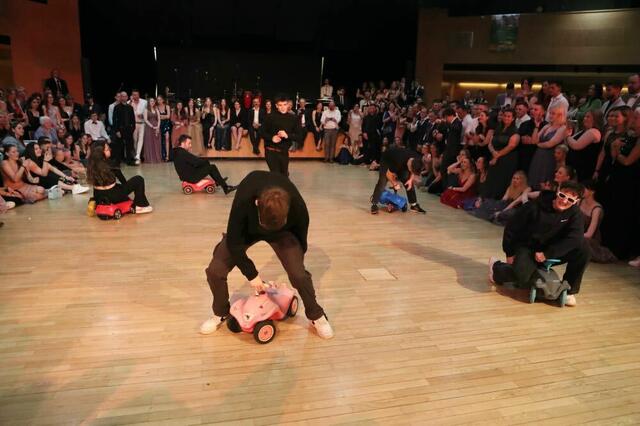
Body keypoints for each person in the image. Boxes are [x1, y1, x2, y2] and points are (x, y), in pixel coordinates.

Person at [200, 170, 334, 339]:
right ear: (257, 203)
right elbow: (234, 241)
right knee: (215, 271)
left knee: (299, 275)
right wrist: (252, 275)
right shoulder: (245, 197)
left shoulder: (297, 206)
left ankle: (316, 316)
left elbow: (301, 237)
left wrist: (297, 261)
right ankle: (220, 312)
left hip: (283, 233)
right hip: (248, 230)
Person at [489, 181, 589, 307]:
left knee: (584, 249)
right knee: (521, 279)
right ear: (558, 191)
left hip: (550, 251)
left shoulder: (575, 213)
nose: (564, 201)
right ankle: (496, 267)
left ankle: (569, 291)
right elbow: (512, 228)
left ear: (576, 201)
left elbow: (575, 239)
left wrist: (548, 254)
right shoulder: (534, 206)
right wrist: (509, 253)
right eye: (562, 195)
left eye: (570, 200)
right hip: (529, 248)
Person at [87, 140, 153, 213]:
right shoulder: (111, 164)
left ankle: (97, 202)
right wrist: (126, 189)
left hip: (98, 195)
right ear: (101, 153)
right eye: (107, 149)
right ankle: (140, 205)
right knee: (138, 179)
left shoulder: (91, 165)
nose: (110, 150)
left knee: (115, 187)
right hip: (112, 196)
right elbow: (123, 181)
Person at [370, 145, 426, 214]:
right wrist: (395, 183)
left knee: (408, 181)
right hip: (387, 159)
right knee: (382, 181)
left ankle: (414, 205)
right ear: (410, 163)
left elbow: (413, 171)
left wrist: (410, 180)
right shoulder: (399, 160)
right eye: (410, 169)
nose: (410, 171)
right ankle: (374, 204)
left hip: (401, 162)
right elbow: (388, 174)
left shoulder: (418, 159)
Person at [259, 94, 303, 176]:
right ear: (276, 106)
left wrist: (287, 135)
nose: (283, 107)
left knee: (284, 176)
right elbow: (261, 132)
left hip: (284, 152)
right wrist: (272, 138)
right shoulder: (269, 117)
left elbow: (299, 136)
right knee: (276, 175)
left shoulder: (294, 118)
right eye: (280, 105)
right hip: (270, 151)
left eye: (285, 104)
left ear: (288, 104)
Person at [22, 140, 89, 194]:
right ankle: (72, 188)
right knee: (48, 176)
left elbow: (53, 169)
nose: (39, 150)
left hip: (43, 179)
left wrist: (66, 177)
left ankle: (71, 187)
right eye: (36, 149)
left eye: (39, 148)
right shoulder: (30, 162)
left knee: (52, 173)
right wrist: (45, 161)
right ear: (31, 151)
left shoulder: (39, 159)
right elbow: (43, 174)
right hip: (36, 182)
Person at [484, 107, 520, 199]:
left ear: (513, 118)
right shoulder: (498, 128)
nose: (506, 118)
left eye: (509, 116)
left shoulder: (515, 131)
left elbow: (511, 146)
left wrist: (496, 156)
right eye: (505, 116)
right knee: (491, 179)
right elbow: (490, 143)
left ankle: (497, 201)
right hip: (494, 156)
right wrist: (493, 152)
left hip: (506, 159)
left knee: (501, 181)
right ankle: (487, 199)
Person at [579, 180, 617, 263]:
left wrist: (574, 234)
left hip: (589, 239)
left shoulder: (596, 209)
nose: (580, 191)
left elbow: (589, 234)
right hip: (577, 233)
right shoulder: (579, 202)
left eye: (583, 189)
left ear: (592, 192)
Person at [112, 91, 136, 165]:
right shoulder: (116, 107)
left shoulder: (130, 107)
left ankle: (129, 161)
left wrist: (133, 128)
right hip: (120, 129)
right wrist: (117, 131)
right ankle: (118, 162)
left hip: (128, 129)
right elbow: (114, 120)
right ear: (120, 97)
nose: (124, 97)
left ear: (127, 97)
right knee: (119, 146)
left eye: (125, 96)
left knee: (129, 146)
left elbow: (133, 119)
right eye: (122, 96)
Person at [130, 89, 147, 165]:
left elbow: (147, 112)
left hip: (142, 123)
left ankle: (138, 156)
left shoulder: (144, 102)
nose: (135, 96)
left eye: (136, 95)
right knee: (134, 140)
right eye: (134, 95)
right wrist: (131, 102)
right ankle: (135, 155)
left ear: (139, 95)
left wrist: (143, 115)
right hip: (134, 124)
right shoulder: (129, 102)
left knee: (141, 140)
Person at [142, 97, 162, 163]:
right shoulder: (146, 110)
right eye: (151, 101)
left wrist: (158, 127)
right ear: (149, 102)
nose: (152, 102)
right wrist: (152, 126)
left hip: (156, 127)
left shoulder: (156, 109)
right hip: (149, 128)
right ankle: (150, 158)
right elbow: (145, 120)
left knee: (156, 143)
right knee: (149, 143)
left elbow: (159, 119)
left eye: (153, 101)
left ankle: (157, 158)